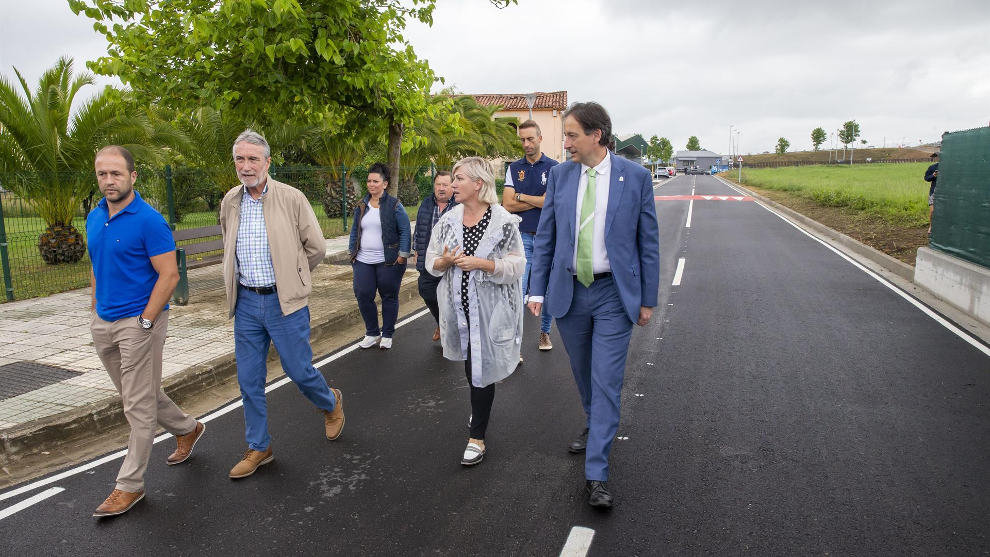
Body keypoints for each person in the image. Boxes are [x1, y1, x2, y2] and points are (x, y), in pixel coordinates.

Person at [527, 102, 660, 509]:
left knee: (606, 380)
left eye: (571, 135)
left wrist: (648, 300)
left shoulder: (634, 177)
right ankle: (594, 421)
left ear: (595, 136)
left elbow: (647, 242)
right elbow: (546, 236)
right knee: (583, 374)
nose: (564, 143)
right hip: (569, 290)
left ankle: (596, 473)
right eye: (564, 135)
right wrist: (536, 290)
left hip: (612, 294)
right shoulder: (562, 176)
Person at [87, 146, 205, 517]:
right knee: (140, 394)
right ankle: (187, 428)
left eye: (116, 174)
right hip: (103, 322)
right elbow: (96, 263)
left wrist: (146, 321)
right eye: (103, 174)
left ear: (133, 176)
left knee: (136, 407)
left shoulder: (150, 221)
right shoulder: (94, 217)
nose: (109, 181)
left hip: (139, 322)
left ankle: (129, 486)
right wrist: (94, 309)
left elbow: (169, 275)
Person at [220, 129, 344, 480]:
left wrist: (294, 276)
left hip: (284, 302)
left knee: (298, 370)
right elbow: (228, 241)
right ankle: (259, 447)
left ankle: (330, 402)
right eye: (240, 159)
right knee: (249, 380)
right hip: (246, 302)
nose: (246, 166)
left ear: (267, 162)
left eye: (253, 159)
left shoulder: (291, 197)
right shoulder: (231, 200)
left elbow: (316, 247)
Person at [426, 157, 525, 466]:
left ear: (478, 184)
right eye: (453, 179)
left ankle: (477, 437)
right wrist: (444, 261)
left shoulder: (503, 222)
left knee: (482, 370)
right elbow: (432, 260)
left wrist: (483, 264)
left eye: (459, 179)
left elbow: (517, 265)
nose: (452, 185)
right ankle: (479, 407)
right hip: (459, 310)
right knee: (472, 367)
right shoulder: (448, 220)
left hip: (491, 311)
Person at [502, 120, 559, 352]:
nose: (526, 144)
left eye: (530, 139)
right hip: (522, 238)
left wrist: (521, 196)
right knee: (518, 289)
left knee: (546, 290)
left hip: (548, 238)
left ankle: (544, 333)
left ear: (540, 138)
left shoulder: (555, 168)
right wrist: (536, 200)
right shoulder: (514, 168)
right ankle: (516, 345)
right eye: (522, 140)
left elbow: (552, 203)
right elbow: (506, 204)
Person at [348, 162, 412, 350]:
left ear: (385, 184)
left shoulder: (394, 205)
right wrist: (352, 252)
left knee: (388, 296)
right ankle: (372, 332)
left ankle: (387, 334)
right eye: (369, 181)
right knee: (363, 294)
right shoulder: (361, 205)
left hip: (389, 261)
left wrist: (402, 255)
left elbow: (405, 230)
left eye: (375, 181)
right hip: (363, 260)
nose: (371, 184)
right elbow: (355, 230)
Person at [414, 171, 458, 341]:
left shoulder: (458, 206)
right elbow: (419, 228)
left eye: (445, 185)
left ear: (452, 187)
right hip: (430, 259)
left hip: (452, 261)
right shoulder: (426, 203)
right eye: (438, 185)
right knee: (426, 291)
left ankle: (451, 327)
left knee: (452, 299)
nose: (441, 188)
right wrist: (417, 250)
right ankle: (441, 321)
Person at [925, 152, 939, 236]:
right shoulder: (932, 167)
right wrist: (933, 175)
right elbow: (926, 178)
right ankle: (931, 226)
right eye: (936, 157)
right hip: (934, 191)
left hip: (945, 192)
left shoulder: (949, 167)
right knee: (932, 211)